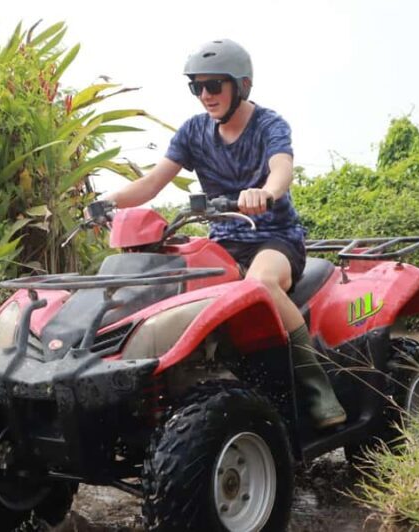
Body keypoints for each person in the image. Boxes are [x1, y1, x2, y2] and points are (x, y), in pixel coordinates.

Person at [102, 39, 346, 429]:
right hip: (223, 245)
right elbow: (150, 184)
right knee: (171, 290)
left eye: (214, 85)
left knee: (260, 284)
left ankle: (317, 389)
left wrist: (266, 192)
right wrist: (107, 201)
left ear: (242, 85)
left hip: (273, 238)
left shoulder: (269, 124)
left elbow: (281, 168)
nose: (205, 95)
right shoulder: (193, 132)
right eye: (196, 87)